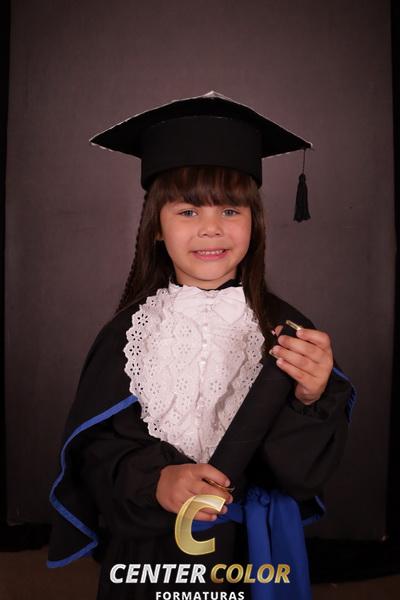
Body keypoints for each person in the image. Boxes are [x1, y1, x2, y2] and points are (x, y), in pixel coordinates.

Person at [47, 91, 356, 600]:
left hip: (253, 553)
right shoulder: (128, 336)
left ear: (255, 223)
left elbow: (304, 475)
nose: (211, 228)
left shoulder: (288, 331)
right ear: (156, 228)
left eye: (231, 209)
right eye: (188, 211)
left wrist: (309, 398)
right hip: (151, 555)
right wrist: (156, 481)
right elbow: (96, 455)